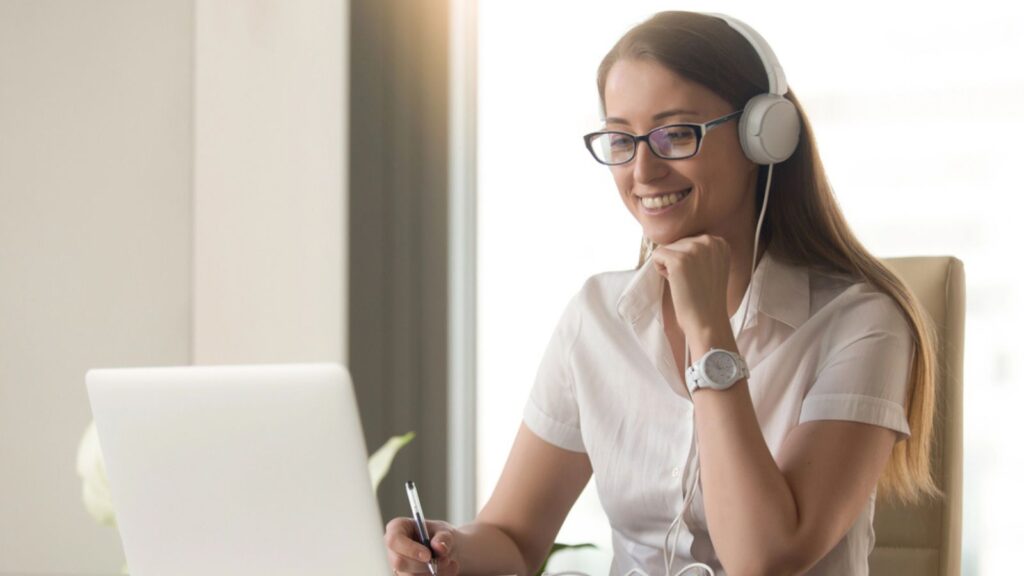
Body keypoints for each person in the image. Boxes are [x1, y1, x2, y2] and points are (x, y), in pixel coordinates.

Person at [384, 11, 938, 576]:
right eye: (621, 139)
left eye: (676, 134)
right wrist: (451, 551)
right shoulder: (596, 317)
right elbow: (514, 536)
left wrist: (709, 334)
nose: (642, 171)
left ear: (765, 135)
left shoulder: (863, 323)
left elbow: (764, 557)